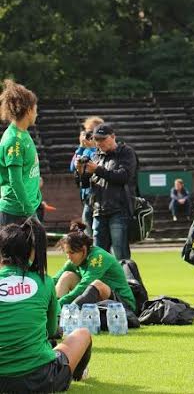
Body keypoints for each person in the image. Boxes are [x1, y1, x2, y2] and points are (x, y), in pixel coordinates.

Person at [0, 218, 91, 392]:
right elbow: (51, 330)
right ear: (31, 252)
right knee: (82, 334)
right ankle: (76, 375)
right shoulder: (44, 282)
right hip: (40, 379)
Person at [77, 123, 138, 260]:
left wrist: (97, 169)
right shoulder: (96, 156)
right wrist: (81, 172)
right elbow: (85, 184)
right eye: (97, 139)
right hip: (98, 211)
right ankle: (101, 282)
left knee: (120, 255)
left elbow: (124, 176)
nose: (99, 142)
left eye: (103, 139)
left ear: (113, 136)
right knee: (99, 256)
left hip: (119, 210)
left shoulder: (126, 152)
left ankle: (125, 281)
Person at [53, 222, 136, 313]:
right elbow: (55, 280)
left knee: (97, 284)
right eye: (67, 253)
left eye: (72, 253)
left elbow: (85, 285)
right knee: (67, 275)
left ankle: (61, 311)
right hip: (100, 301)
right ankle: (55, 315)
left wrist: (60, 304)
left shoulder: (98, 257)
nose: (69, 257)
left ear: (84, 250)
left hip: (123, 305)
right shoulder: (73, 260)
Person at [0, 79, 41, 226]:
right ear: (29, 110)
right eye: (36, 109)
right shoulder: (14, 140)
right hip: (17, 213)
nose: (36, 113)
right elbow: (15, 181)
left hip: (29, 207)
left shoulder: (23, 134)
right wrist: (30, 212)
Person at [70, 117, 104, 236]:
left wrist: (92, 148)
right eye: (86, 131)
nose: (88, 134)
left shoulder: (101, 148)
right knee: (89, 228)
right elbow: (72, 168)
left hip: (98, 194)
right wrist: (81, 147)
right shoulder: (84, 149)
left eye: (91, 131)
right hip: (86, 194)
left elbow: (98, 162)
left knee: (95, 230)